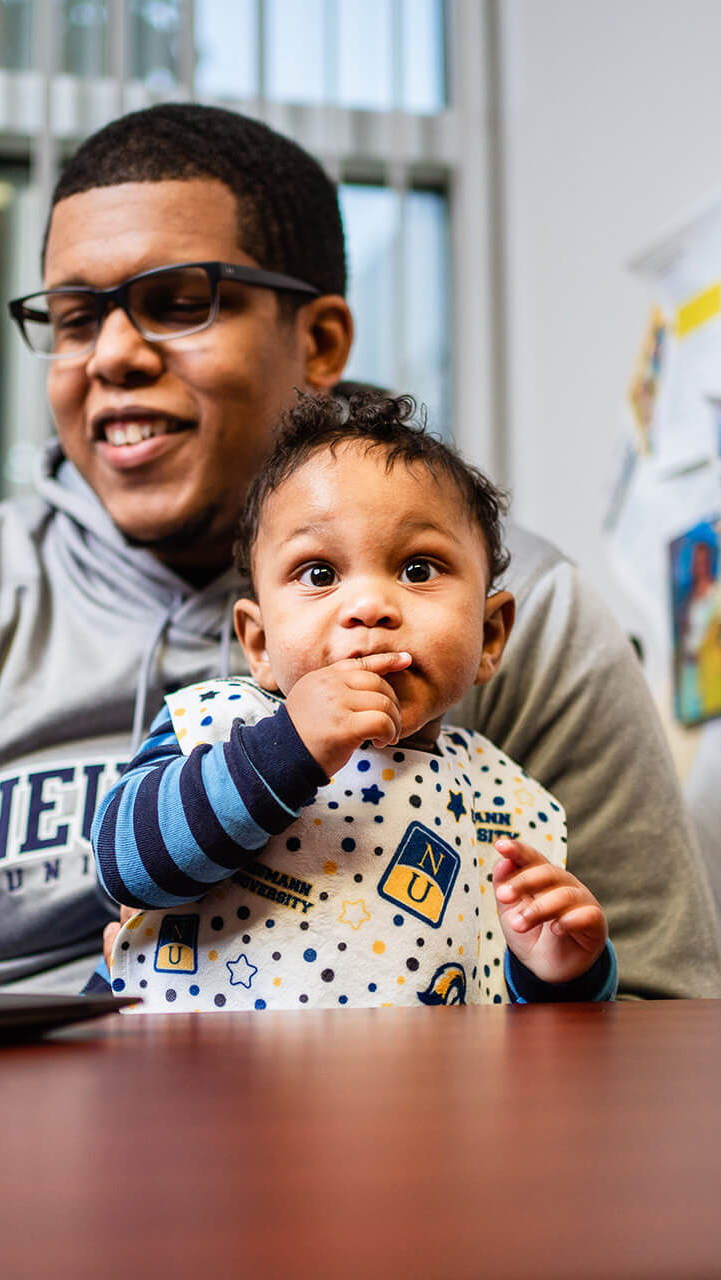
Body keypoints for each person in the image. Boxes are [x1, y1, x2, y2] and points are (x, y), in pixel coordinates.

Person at [0, 103, 721, 999]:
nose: (109, 354)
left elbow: (657, 1007)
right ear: (252, 640)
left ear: (319, 339)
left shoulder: (517, 616)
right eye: (73, 317)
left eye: (177, 300)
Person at [91, 392, 613, 1009]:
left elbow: (530, 1031)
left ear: (491, 635)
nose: (369, 607)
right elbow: (122, 862)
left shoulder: (504, 802)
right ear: (258, 644)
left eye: (418, 569)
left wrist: (561, 974)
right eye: (318, 574)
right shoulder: (217, 728)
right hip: (200, 1089)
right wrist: (283, 751)